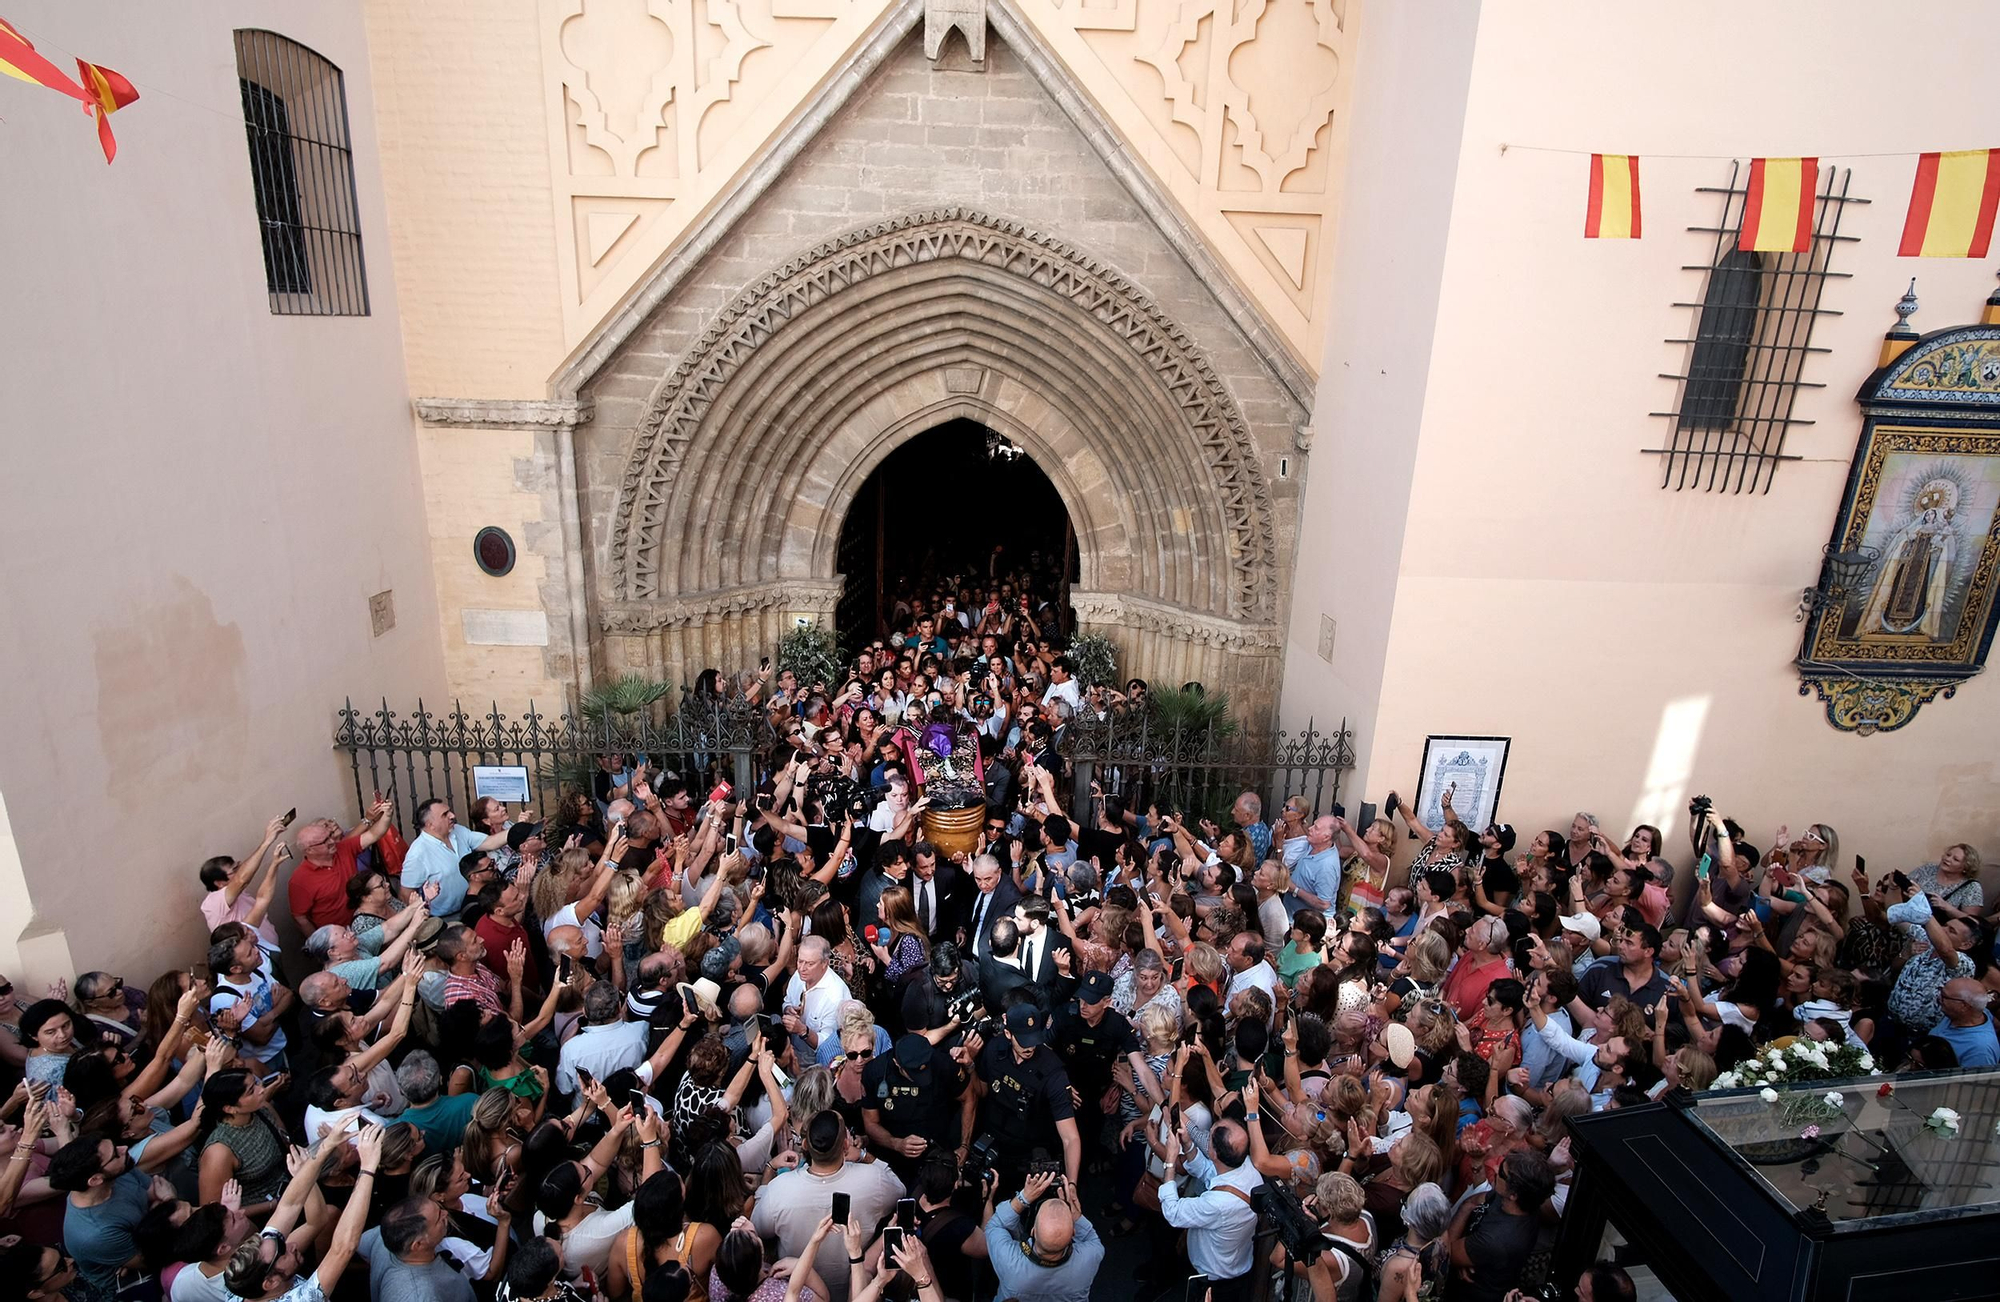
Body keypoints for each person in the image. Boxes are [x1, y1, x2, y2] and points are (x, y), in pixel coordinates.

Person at [751, 1111, 904, 1302]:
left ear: (804, 1145)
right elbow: (899, 1189)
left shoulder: (779, 1189)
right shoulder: (874, 1180)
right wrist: (863, 1156)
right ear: (845, 1146)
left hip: (802, 1295)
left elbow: (756, 1228)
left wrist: (769, 1170)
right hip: (853, 1293)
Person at [1158, 1118, 1262, 1302]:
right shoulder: (1248, 1169)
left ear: (1213, 1153)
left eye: (1209, 1137)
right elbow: (1210, 1173)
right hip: (1236, 1266)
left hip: (1216, 1283)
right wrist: (1188, 1145)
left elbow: (1172, 1212)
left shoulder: (1217, 1204)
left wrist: (1170, 1160)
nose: (1206, 1138)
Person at [984, 1171, 1104, 1302]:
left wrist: (1023, 1198)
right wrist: (1074, 1214)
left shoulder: (1008, 1260)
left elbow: (994, 1225)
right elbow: (1091, 1238)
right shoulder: (1090, 1258)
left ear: (1033, 1231)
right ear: (1074, 1233)